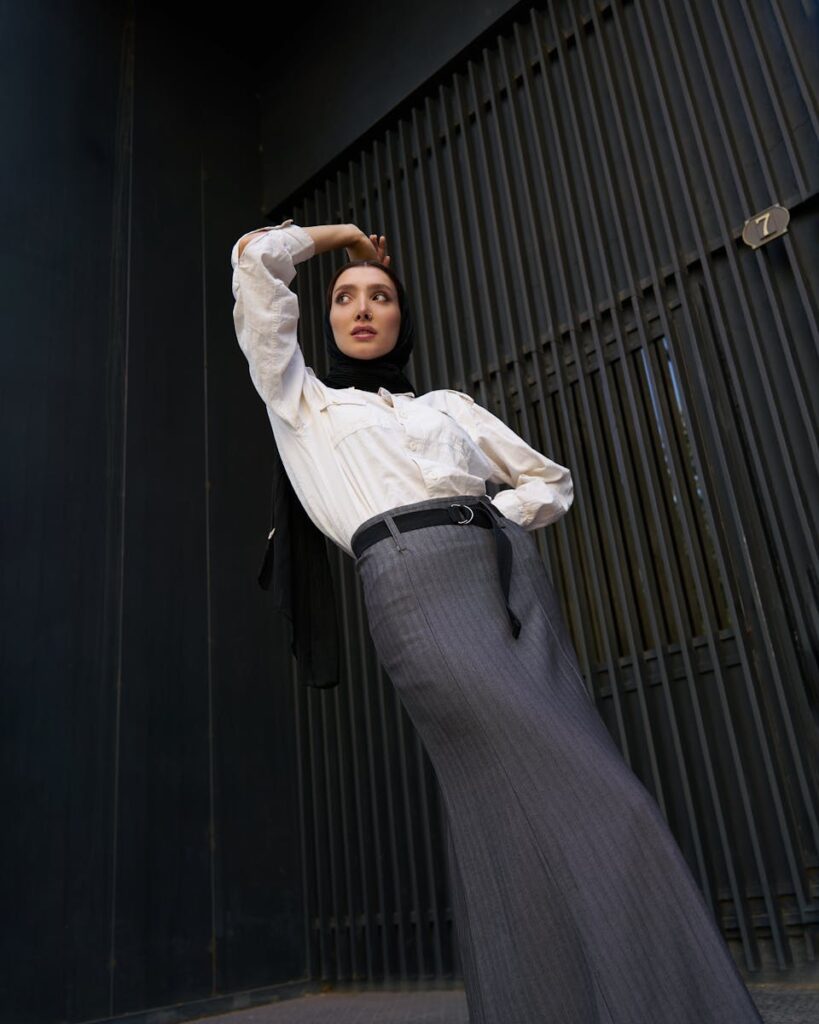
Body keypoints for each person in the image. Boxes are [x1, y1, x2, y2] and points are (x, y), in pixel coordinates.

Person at [230, 221, 763, 1023]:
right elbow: (254, 260)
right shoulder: (302, 399)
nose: (362, 308)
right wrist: (344, 239)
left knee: (500, 817)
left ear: (403, 319)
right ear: (326, 316)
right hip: (414, 586)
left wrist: (484, 518)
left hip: (508, 578)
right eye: (344, 297)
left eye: (380, 296)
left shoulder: (447, 407)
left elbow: (549, 482)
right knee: (601, 796)